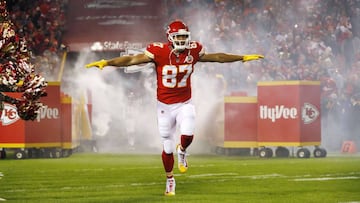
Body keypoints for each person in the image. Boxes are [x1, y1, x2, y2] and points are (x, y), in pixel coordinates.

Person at [85, 20, 264, 196]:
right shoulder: (158, 51)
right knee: (167, 147)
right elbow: (131, 60)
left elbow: (217, 57)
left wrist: (241, 58)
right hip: (164, 106)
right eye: (178, 37)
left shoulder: (193, 50)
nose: (181, 40)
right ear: (170, 37)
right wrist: (107, 62)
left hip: (185, 103)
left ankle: (183, 151)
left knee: (187, 133)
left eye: (184, 37)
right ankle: (170, 179)